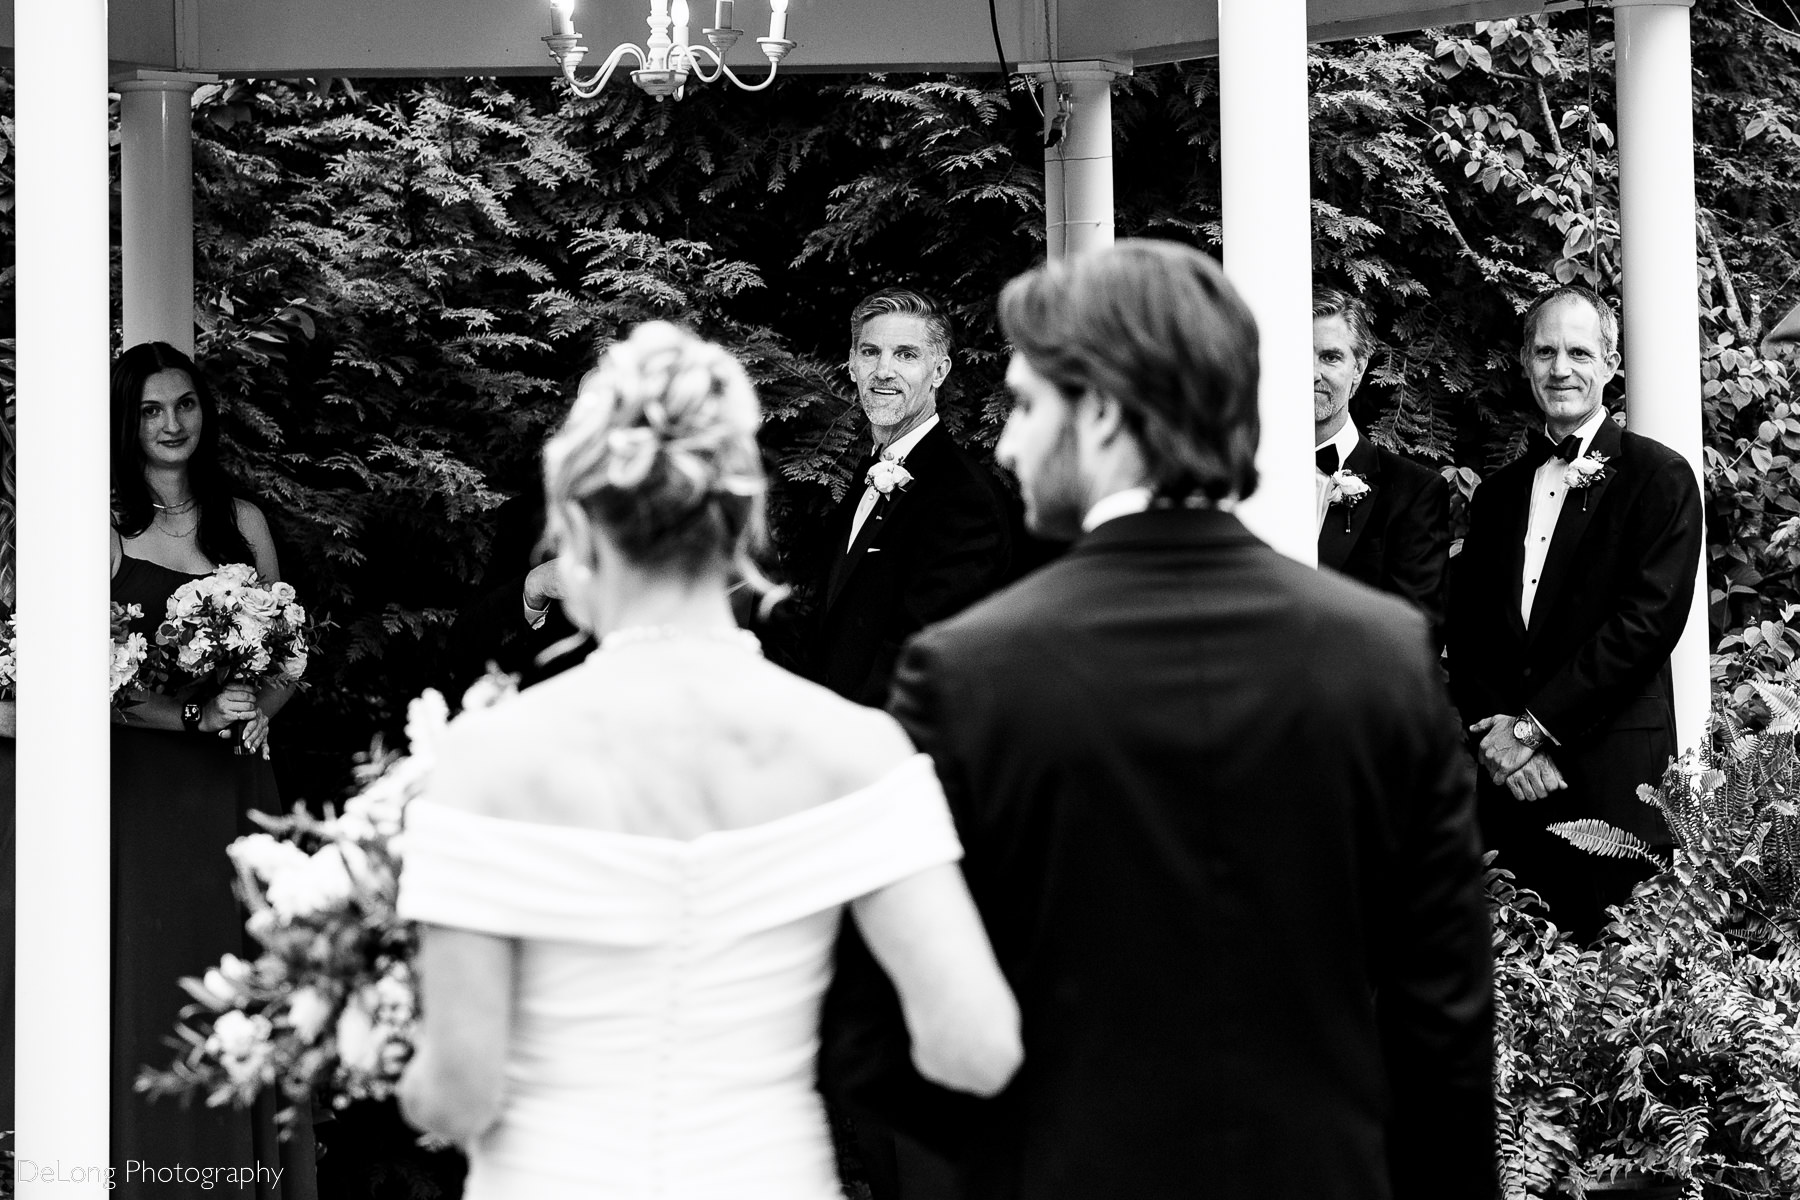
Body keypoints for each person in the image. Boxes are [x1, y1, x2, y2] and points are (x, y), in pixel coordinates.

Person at [821, 240, 1495, 1200]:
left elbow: (885, 1020)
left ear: (1097, 411)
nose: (1009, 445)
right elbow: (1444, 1025)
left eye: (1026, 405)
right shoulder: (1378, 656)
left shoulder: (972, 674)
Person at [394, 321, 1021, 1199]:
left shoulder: (487, 762)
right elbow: (978, 1048)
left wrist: (376, 1037)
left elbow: (457, 1098)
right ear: (741, 521)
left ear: (577, 520)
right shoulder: (851, 752)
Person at [108, 342, 316, 1195]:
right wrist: (191, 714)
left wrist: (256, 717)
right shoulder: (107, 528)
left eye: (184, 405)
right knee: (162, 975)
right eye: (152, 410)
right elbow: (91, 678)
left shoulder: (243, 522)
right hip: (147, 791)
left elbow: (290, 655)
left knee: (239, 983)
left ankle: (240, 1174)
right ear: (128, 421)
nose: (170, 424)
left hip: (234, 787)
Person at [1447, 285, 1704, 942]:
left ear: (1610, 364)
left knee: (1622, 1000)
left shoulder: (1659, 478)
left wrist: (1531, 730)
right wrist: (1504, 750)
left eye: (1579, 352)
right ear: (1527, 363)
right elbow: (1469, 633)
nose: (1561, 369)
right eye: (1546, 352)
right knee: (1519, 992)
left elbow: (1643, 628)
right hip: (1511, 796)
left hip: (1612, 791)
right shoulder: (1500, 493)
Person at [805, 289, 1015, 706]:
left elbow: (926, 654)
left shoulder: (962, 498)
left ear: (939, 371)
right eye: (870, 352)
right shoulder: (867, 475)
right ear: (851, 364)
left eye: (905, 355)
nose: (883, 371)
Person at [1312, 288, 1451, 640]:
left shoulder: (1413, 492)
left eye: (1330, 357)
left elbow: (1415, 634)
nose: (1311, 372)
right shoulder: (1236, 480)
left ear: (1359, 368)